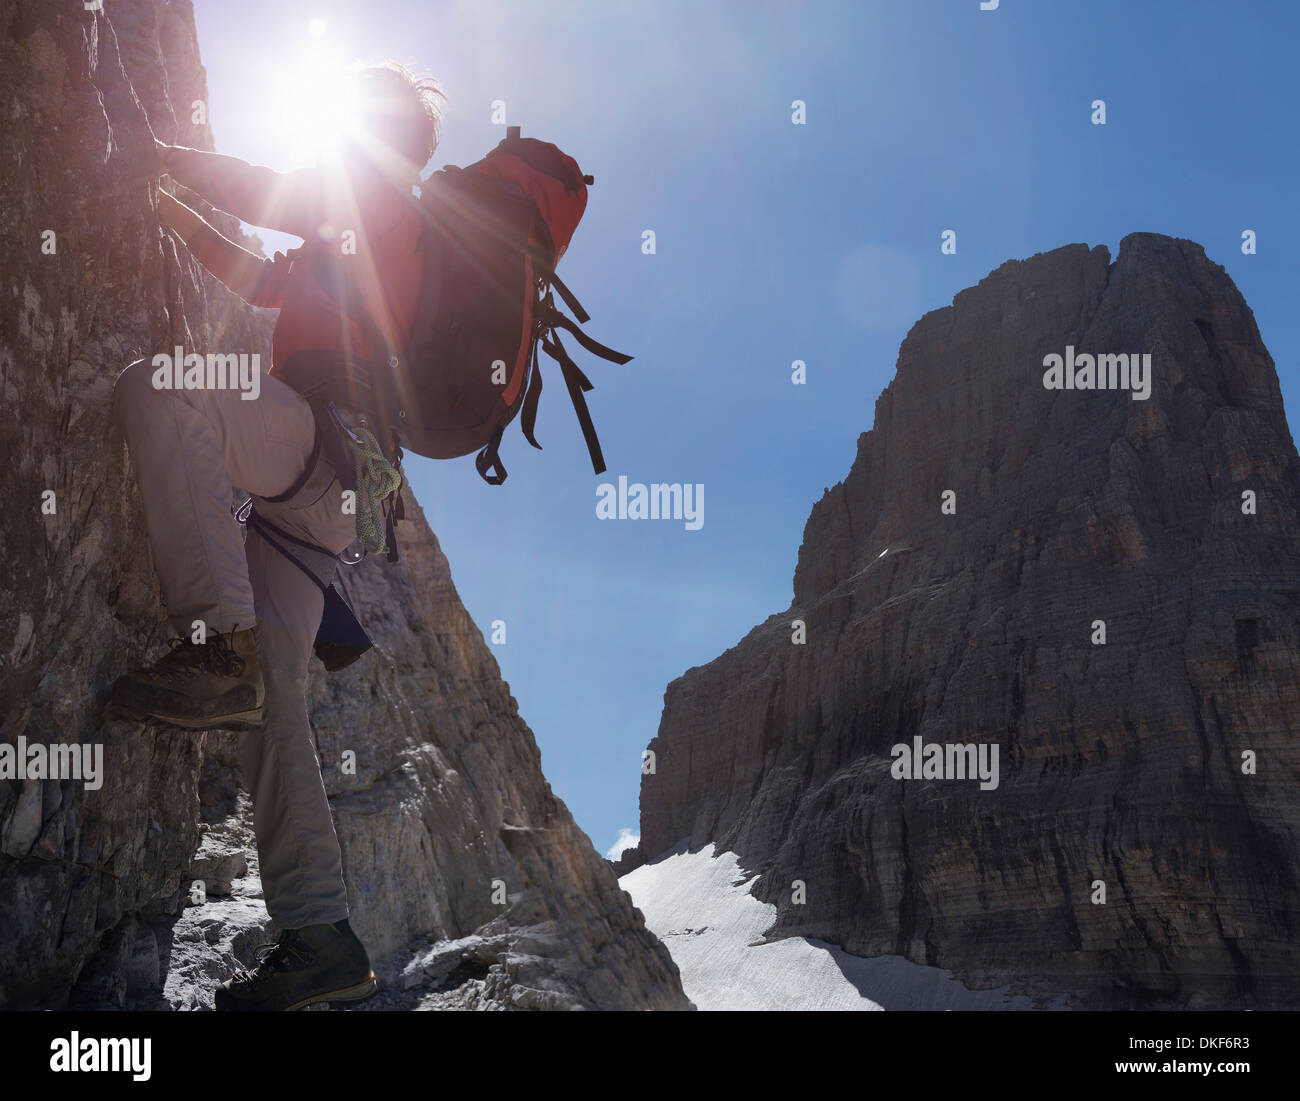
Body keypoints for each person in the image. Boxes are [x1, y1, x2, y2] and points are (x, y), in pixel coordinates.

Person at [109, 62, 446, 1011]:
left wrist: (163, 156)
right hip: (332, 502)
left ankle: (220, 644)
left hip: (320, 450)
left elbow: (272, 193)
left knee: (161, 388)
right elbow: (260, 266)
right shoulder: (367, 241)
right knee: (275, 713)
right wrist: (181, 218)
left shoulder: (382, 204)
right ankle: (320, 935)